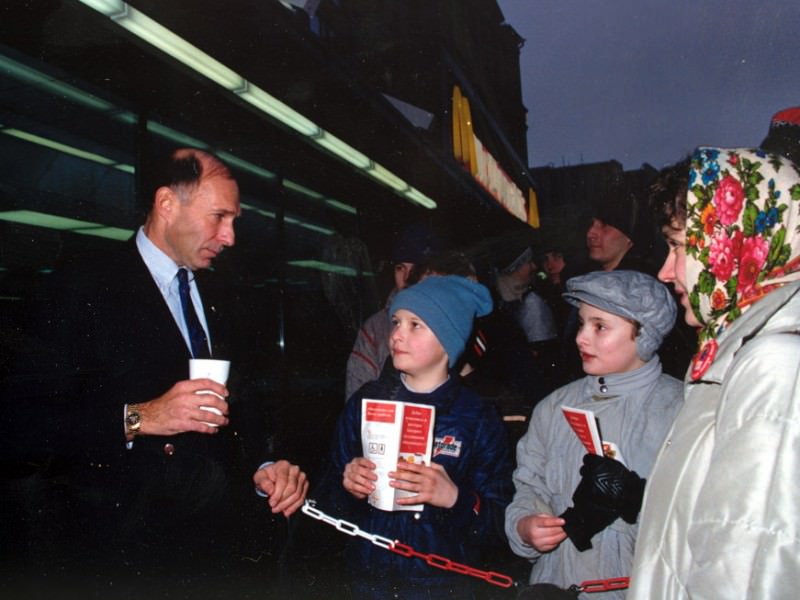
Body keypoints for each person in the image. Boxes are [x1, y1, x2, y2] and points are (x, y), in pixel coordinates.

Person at [2, 149, 307, 595]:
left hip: (218, 551)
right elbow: (21, 426)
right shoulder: (81, 288)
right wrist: (139, 417)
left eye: (235, 220)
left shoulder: (225, 291)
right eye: (219, 217)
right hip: (123, 557)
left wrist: (265, 464)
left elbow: (245, 405)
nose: (231, 237)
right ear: (167, 204)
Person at [628, 147, 800, 599]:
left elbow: (746, 570)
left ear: (740, 240)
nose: (666, 270)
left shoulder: (773, 364)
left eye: (681, 245)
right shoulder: (735, 353)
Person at [320, 275, 513, 599]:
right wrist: (347, 484)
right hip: (367, 584)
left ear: (448, 339)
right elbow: (326, 498)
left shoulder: (478, 417)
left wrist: (456, 498)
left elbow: (501, 523)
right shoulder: (366, 401)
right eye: (396, 322)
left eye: (415, 325)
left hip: (443, 588)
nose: (396, 334)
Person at [505, 270, 683, 598]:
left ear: (644, 336)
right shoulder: (553, 408)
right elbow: (529, 487)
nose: (581, 338)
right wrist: (525, 527)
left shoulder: (680, 411)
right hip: (555, 583)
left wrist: (636, 503)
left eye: (599, 326)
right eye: (582, 322)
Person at [344, 222, 442, 400]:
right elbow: (356, 401)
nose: (406, 278)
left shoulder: (449, 322)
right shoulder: (375, 329)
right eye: (400, 268)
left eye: (415, 270)